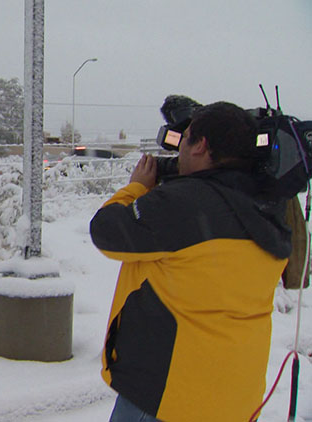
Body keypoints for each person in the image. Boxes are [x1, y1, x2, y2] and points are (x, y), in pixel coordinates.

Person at [89, 101, 291, 421]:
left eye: (185, 139)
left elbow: (106, 231)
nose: (179, 148)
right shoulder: (267, 204)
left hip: (169, 397)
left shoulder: (184, 204)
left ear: (202, 146)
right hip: (238, 397)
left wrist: (137, 187)